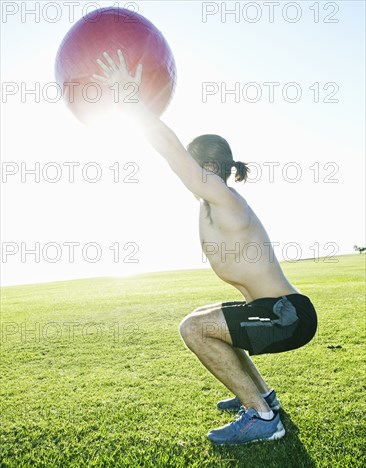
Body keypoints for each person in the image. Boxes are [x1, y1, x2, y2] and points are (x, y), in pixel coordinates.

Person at [91, 50, 318, 445]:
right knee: (204, 317)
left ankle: (263, 418)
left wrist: (131, 102)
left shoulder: (224, 198)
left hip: (288, 317)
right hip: (273, 311)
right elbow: (178, 159)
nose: (186, 175)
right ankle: (263, 396)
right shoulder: (212, 202)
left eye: (194, 168)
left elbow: (170, 149)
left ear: (209, 169)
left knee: (194, 329)